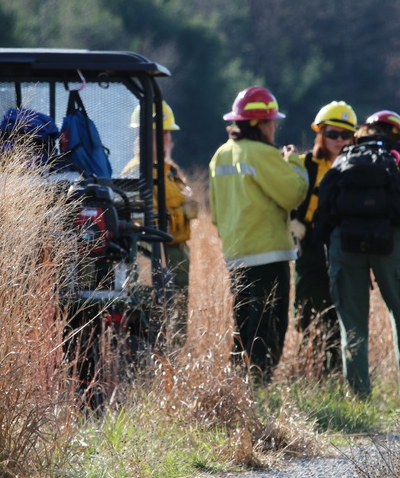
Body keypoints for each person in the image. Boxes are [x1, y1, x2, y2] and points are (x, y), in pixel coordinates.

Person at [315, 110, 400, 405]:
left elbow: (326, 211)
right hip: (392, 242)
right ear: (399, 136)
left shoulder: (346, 157)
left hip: (346, 243)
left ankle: (359, 401)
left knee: (352, 324)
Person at [209, 86, 309, 383]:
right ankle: (259, 384)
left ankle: (238, 383)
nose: (274, 127)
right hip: (269, 254)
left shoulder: (220, 155)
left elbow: (215, 213)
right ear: (257, 124)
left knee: (243, 324)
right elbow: (293, 194)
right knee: (270, 325)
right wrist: (293, 162)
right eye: (270, 121)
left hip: (236, 254)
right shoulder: (263, 154)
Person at [290, 101, 357, 375]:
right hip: (309, 249)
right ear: (320, 133)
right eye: (332, 134)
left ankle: (337, 376)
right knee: (307, 314)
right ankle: (310, 374)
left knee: (338, 314)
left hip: (343, 248)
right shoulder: (304, 164)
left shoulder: (357, 166)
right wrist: (293, 223)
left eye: (345, 135)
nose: (338, 140)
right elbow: (288, 198)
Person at [124, 101, 198, 342]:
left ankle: (172, 369)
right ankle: (164, 368)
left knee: (176, 317)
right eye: (165, 132)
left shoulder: (165, 169)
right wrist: (183, 213)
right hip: (157, 255)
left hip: (173, 252)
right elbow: (145, 220)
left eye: (167, 133)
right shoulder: (137, 172)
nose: (169, 138)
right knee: (163, 318)